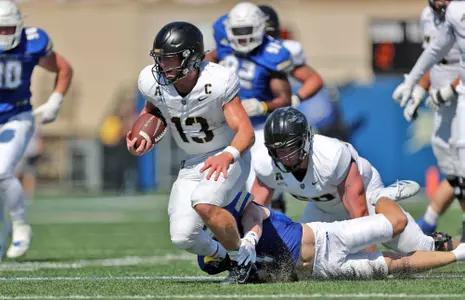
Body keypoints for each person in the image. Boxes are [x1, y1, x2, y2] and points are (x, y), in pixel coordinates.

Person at [128, 21, 256, 282]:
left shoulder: (218, 81)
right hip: (192, 163)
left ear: (192, 58)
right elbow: (151, 110)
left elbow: (246, 132)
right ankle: (222, 254)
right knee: (182, 236)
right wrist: (141, 135)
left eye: (170, 59)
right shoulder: (153, 82)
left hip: (227, 155)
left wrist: (228, 154)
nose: (163, 66)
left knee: (204, 203)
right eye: (160, 59)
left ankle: (242, 261)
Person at [251, 107, 442, 255]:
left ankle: (384, 199)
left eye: (291, 148)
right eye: (278, 151)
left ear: (306, 140)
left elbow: (359, 215)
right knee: (298, 253)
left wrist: (369, 259)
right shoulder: (266, 164)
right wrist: (248, 244)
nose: (285, 157)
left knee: (416, 246)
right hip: (322, 206)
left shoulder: (331, 156)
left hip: (364, 197)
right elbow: (253, 211)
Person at [199, 195, 463, 282]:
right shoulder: (217, 257)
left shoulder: (235, 207)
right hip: (323, 270)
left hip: (328, 237)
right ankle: (460, 254)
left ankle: (382, 195)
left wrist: (250, 240)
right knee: (395, 266)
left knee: (397, 223)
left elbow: (253, 218)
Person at [0, 1, 73, 259]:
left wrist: (56, 100)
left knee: (2, 171)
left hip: (17, 115)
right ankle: (3, 228)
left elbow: (64, 68)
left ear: (19, 25)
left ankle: (21, 225)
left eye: (7, 29)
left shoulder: (32, 42)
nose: (3, 35)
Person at [205, 2, 294, 215]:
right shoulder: (222, 45)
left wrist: (262, 105)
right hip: (227, 126)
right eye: (238, 32)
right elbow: (208, 62)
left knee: (259, 179)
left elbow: (285, 98)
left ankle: (272, 223)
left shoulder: (272, 54)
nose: (243, 37)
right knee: (217, 183)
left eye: (247, 31)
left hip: (259, 128)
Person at [393, 0, 465, 239]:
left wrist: (452, 89)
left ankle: (431, 221)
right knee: (452, 164)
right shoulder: (437, 15)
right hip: (446, 98)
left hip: (458, 93)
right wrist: (414, 86)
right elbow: (434, 53)